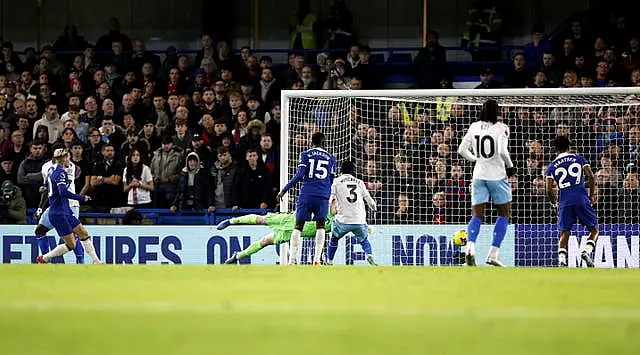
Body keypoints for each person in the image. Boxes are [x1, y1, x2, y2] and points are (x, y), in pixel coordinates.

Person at [457, 99, 516, 267]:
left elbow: (461, 150)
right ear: (497, 111)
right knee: (504, 214)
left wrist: (476, 159)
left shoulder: (474, 126)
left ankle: (470, 247)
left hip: (478, 175)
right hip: (497, 175)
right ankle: (493, 254)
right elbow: (503, 151)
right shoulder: (502, 127)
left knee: (477, 215)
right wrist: (510, 166)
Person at [277, 131, 336, 265]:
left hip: (307, 194)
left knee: (298, 226)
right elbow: (331, 180)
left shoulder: (305, 154)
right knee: (320, 226)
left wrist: (284, 190)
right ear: (324, 142)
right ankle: (316, 259)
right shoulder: (331, 158)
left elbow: (299, 175)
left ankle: (291, 260)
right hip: (322, 196)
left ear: (311, 142)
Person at [36, 149, 101, 264]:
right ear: (63, 159)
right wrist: (82, 197)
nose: (69, 160)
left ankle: (97, 262)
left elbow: (46, 187)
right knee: (71, 244)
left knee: (84, 234)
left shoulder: (52, 171)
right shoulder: (60, 172)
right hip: (59, 213)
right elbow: (63, 192)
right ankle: (45, 258)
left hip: (66, 210)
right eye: (68, 157)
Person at [545, 136, 598, 267]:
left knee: (565, 232)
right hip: (581, 198)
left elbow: (548, 189)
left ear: (555, 149)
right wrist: (591, 195)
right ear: (569, 147)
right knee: (594, 230)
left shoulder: (552, 166)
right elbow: (591, 176)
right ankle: (586, 251)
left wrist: (554, 204)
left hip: (564, 202)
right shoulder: (578, 158)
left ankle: (562, 260)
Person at [218, 210, 334, 265]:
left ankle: (237, 256)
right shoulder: (326, 208)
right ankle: (231, 221)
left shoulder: (335, 224)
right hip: (289, 219)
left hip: (291, 233)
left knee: (264, 242)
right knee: (260, 220)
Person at [327, 160, 377, 265]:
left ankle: (330, 261)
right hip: (359, 220)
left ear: (341, 170)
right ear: (353, 171)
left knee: (334, 239)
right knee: (364, 240)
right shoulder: (359, 182)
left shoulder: (336, 181)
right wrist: (374, 208)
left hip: (342, 221)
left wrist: (326, 210)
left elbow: (330, 199)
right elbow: (370, 200)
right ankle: (369, 255)